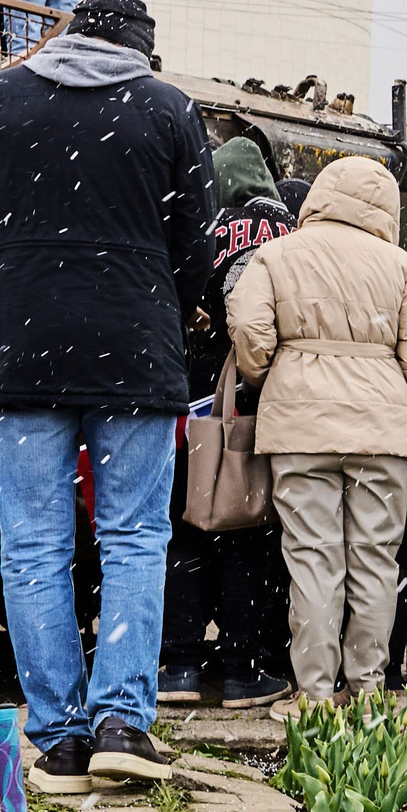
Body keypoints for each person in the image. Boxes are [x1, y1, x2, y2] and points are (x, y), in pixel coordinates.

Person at [0, 0, 214, 792]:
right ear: (141, 49)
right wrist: (155, 299)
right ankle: (122, 722)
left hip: (19, 349)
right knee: (134, 535)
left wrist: (14, 298)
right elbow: (195, 246)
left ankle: (59, 738)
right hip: (135, 351)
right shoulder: (169, 110)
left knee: (33, 545)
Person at [228, 155, 407, 711]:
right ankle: (368, 689)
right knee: (376, 559)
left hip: (300, 425)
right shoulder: (402, 267)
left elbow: (249, 329)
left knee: (312, 558)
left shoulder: (276, 254)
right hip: (382, 428)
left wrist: (269, 374)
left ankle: (316, 692)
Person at [161, 135, 294, 711]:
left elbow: (175, 301)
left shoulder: (199, 231)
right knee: (250, 532)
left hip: (192, 411)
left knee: (187, 528)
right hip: (261, 408)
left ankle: (179, 666)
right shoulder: (290, 240)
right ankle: (244, 671)